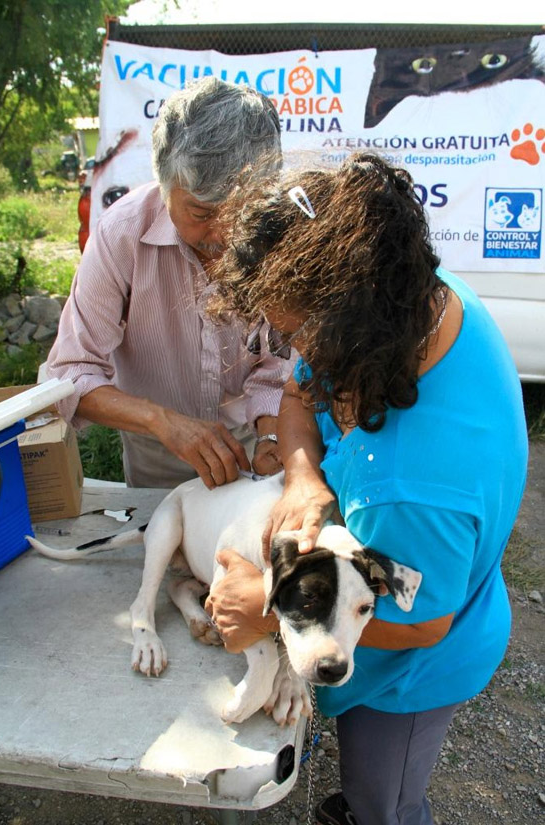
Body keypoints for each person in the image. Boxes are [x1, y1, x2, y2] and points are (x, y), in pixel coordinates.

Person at [204, 153, 529, 825]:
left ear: (355, 325)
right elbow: (298, 392)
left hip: (412, 669)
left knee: (384, 799)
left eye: (295, 333)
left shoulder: (409, 486)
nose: (295, 353)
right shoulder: (426, 302)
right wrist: (301, 474)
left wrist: (267, 611)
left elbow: (423, 621)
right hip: (391, 594)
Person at [45, 77, 291, 489]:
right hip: (156, 454)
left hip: (251, 450)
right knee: (160, 543)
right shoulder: (121, 235)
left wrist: (269, 435)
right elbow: (71, 371)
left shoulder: (278, 236)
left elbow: (276, 363)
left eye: (241, 212)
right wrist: (160, 421)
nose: (224, 234)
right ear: (164, 186)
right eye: (200, 212)